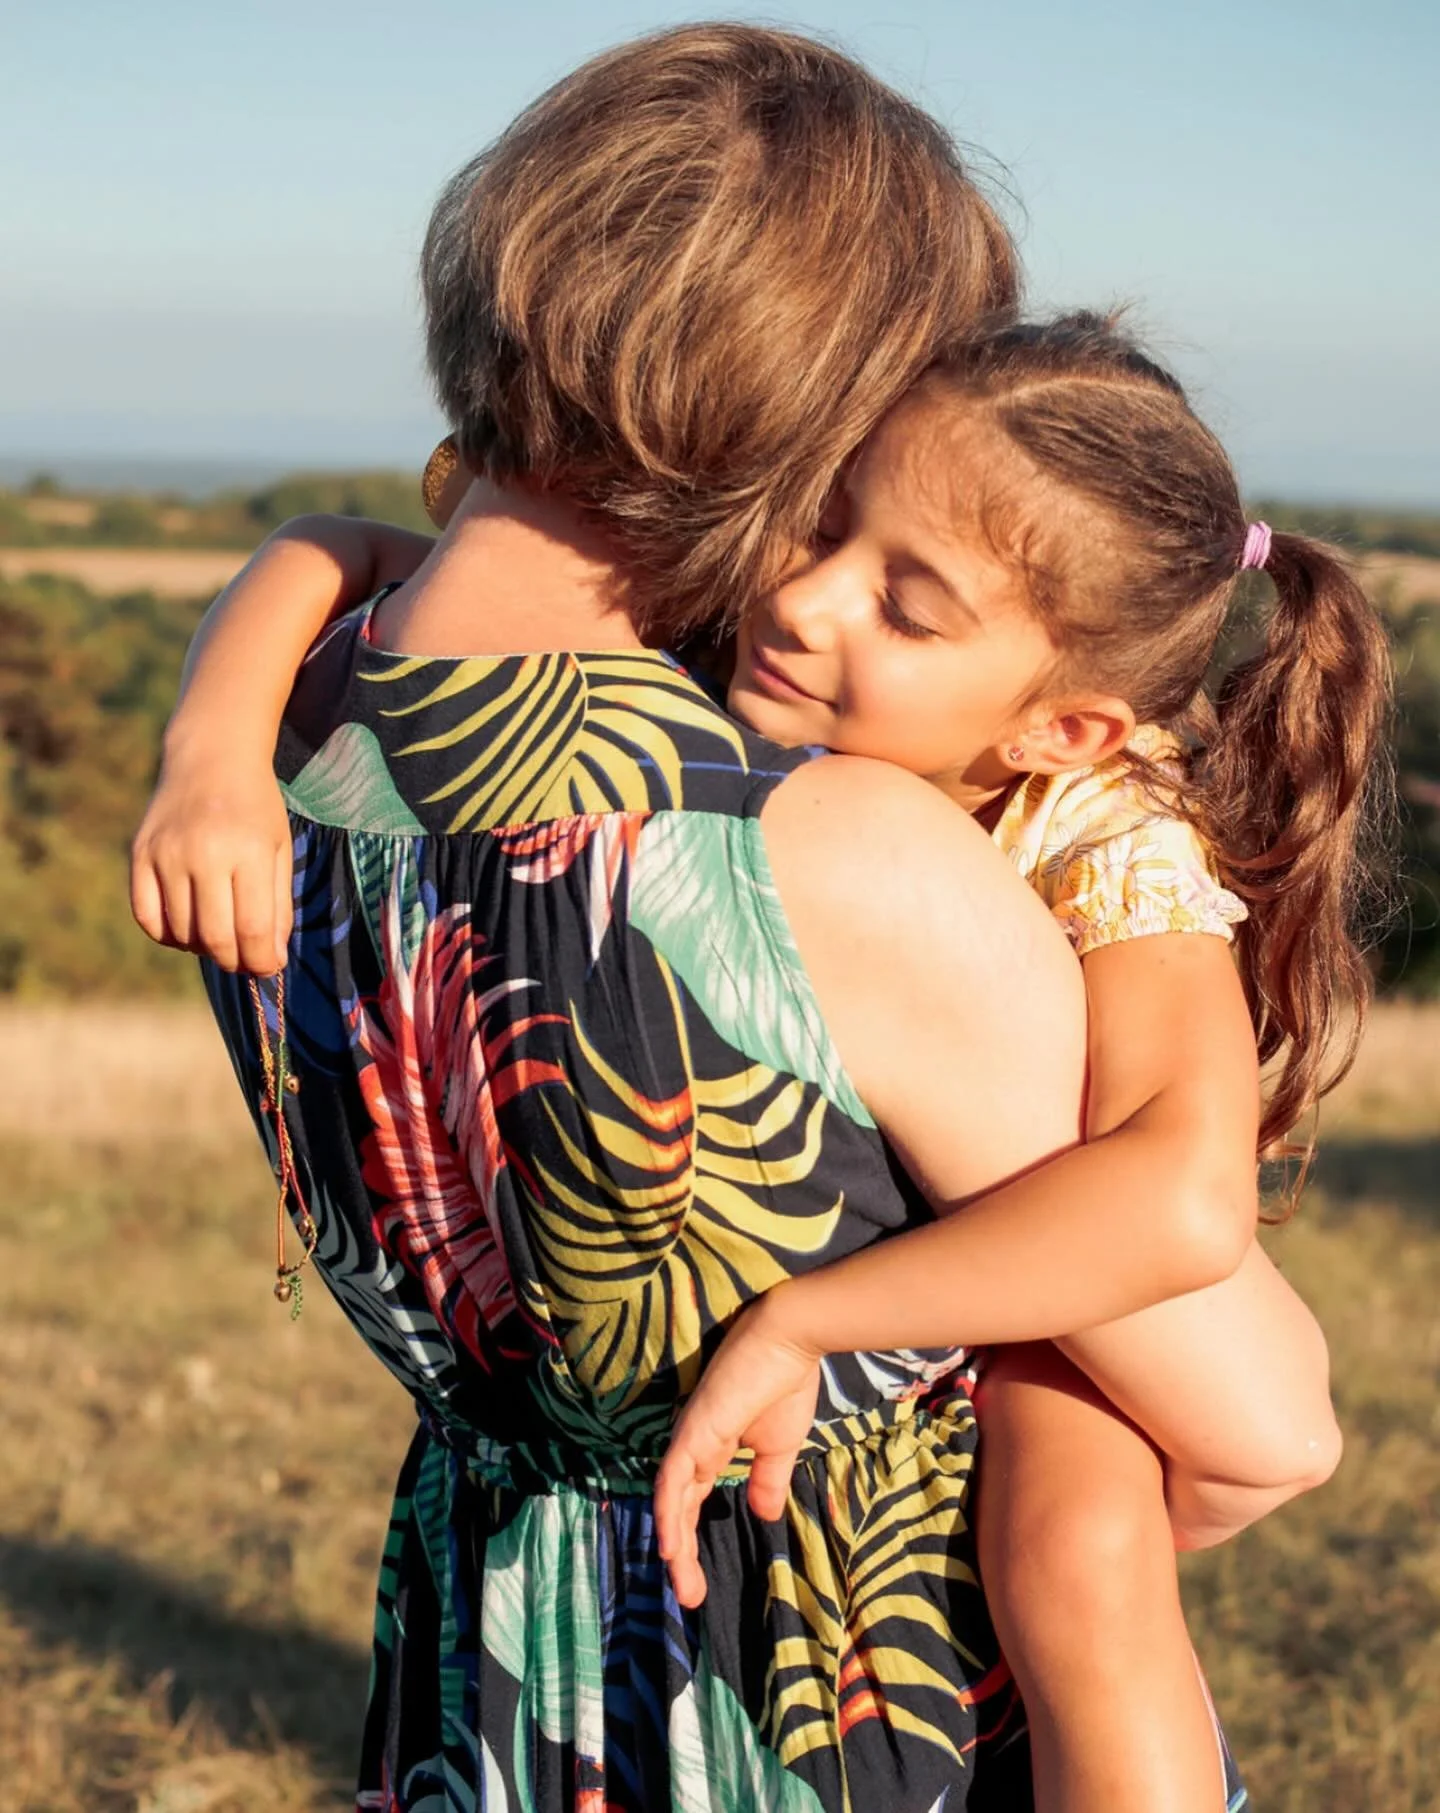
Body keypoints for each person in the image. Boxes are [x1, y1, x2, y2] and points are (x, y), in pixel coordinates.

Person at [131, 28, 1292, 1813]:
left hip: (487, 1666)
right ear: (833, 401)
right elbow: (1257, 1412)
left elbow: (340, 553)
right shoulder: (820, 847)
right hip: (820, 1703)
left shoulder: (277, 732)